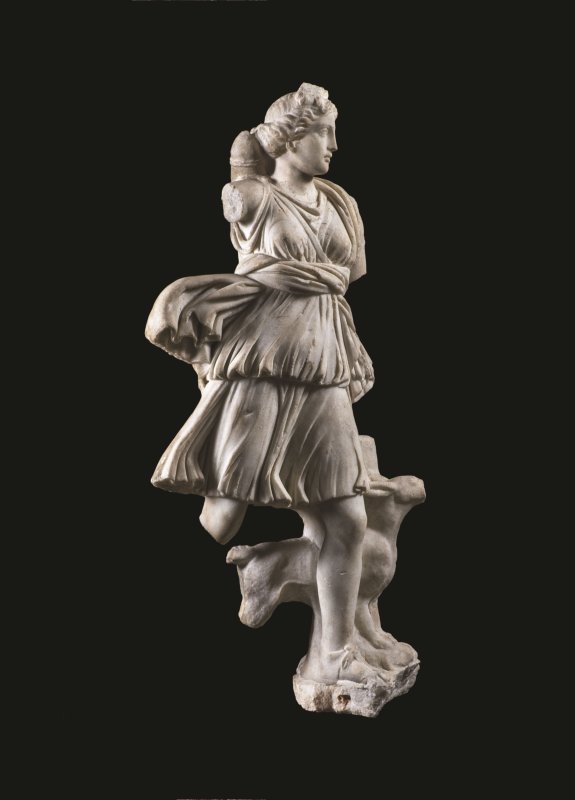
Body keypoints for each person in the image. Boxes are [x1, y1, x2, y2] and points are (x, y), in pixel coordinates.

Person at [146, 83, 380, 684]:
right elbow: (242, 167)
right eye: (322, 133)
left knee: (347, 521)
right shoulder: (252, 195)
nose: (333, 145)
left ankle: (335, 653)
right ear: (290, 139)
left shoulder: (341, 201)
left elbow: (349, 271)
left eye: (333, 132)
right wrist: (253, 147)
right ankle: (253, 556)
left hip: (324, 360)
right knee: (224, 515)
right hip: (263, 359)